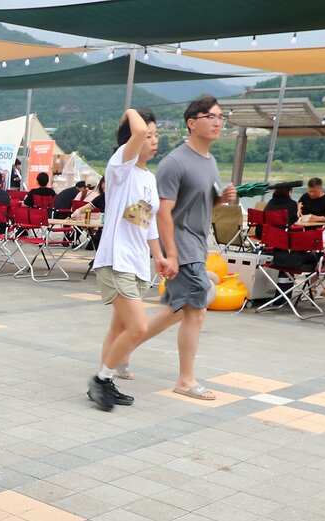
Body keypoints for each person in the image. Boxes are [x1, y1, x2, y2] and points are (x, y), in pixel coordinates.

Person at [141, 93, 237, 401]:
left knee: (177, 311)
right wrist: (170, 253)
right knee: (196, 312)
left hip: (197, 244)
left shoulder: (210, 161)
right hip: (181, 246)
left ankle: (121, 349)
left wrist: (221, 199)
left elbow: (200, 203)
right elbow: (163, 212)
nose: (218, 122)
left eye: (221, 117)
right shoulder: (175, 162)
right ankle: (185, 380)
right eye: (212, 117)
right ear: (192, 123)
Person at [87, 108, 167, 412]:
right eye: (148, 135)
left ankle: (105, 383)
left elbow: (145, 220)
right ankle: (101, 378)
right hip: (115, 260)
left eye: (157, 134)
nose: (153, 140)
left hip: (136, 263)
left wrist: (158, 256)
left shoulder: (148, 177)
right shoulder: (121, 165)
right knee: (138, 326)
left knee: (119, 329)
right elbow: (133, 132)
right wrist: (132, 111)